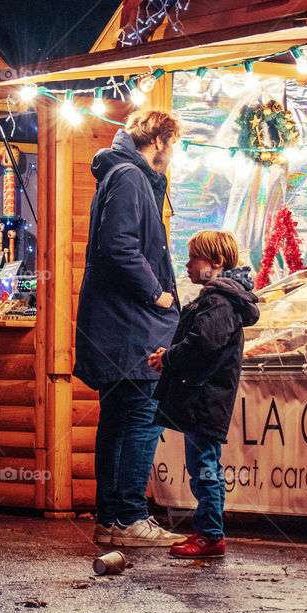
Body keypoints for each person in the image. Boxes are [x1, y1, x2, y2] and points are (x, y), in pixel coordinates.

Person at [74, 109, 185, 548]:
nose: (172, 153)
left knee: (118, 420)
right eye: (172, 144)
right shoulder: (130, 177)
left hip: (119, 324)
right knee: (139, 419)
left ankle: (112, 519)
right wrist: (157, 294)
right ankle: (130, 516)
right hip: (133, 325)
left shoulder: (120, 175)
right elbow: (118, 245)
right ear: (158, 140)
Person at [148, 231, 260, 558]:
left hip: (205, 399)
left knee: (205, 468)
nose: (187, 264)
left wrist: (168, 358)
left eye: (193, 257)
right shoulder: (217, 297)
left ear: (215, 263)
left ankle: (211, 535)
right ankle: (207, 531)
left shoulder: (218, 300)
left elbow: (202, 344)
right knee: (202, 466)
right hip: (203, 398)